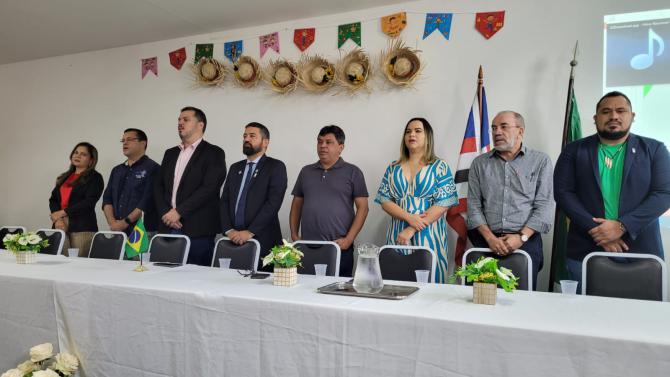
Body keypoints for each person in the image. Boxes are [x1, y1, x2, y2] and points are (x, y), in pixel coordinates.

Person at [554, 91, 670, 289]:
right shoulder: (574, 150)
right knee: (584, 315)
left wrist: (622, 226)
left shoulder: (654, 149)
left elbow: (664, 194)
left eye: (621, 110)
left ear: (632, 116)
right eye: (606, 111)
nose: (614, 116)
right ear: (596, 118)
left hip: (641, 251)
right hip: (585, 248)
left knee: (639, 316)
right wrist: (597, 232)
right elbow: (563, 193)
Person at [467, 111, 554, 290]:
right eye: (493, 128)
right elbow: (474, 205)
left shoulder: (540, 161)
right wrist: (490, 238)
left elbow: (544, 206)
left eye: (503, 127)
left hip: (526, 242)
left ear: (520, 131)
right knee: (482, 303)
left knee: (521, 305)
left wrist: (521, 237)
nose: (497, 132)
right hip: (487, 242)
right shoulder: (479, 163)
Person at [375, 118, 458, 283]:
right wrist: (408, 218)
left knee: (429, 291)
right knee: (396, 286)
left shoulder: (439, 166)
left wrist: (412, 228)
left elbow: (443, 203)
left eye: (417, 131)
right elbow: (384, 200)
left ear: (428, 136)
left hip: (430, 236)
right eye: (408, 131)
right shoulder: (393, 167)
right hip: (398, 236)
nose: (412, 134)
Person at [289, 125, 369, 277]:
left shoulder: (353, 172)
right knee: (305, 293)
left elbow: (363, 208)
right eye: (319, 142)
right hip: (307, 247)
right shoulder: (306, 171)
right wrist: (294, 234)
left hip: (339, 247)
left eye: (328, 142)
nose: (322, 146)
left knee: (338, 295)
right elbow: (296, 205)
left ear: (341, 147)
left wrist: (348, 239)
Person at [154, 106, 227, 266]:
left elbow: (209, 188)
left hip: (198, 230)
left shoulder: (214, 153)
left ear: (200, 125)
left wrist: (179, 212)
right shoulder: (170, 153)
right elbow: (158, 187)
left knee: (196, 281)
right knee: (163, 278)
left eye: (186, 120)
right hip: (168, 226)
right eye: (179, 120)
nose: (180, 123)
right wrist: (167, 214)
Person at [220, 122, 287, 271]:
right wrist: (229, 230)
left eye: (252, 136)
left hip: (263, 241)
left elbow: (273, 203)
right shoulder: (235, 168)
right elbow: (224, 201)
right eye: (244, 136)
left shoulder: (275, 167)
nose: (246, 139)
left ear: (265, 142)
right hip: (233, 240)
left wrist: (249, 232)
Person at [102, 128, 160, 244]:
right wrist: (113, 223)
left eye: (129, 140)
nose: (125, 143)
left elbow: (147, 201)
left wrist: (125, 222)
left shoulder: (153, 168)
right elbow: (107, 199)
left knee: (139, 262)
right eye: (123, 140)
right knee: (115, 262)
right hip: (118, 230)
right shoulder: (117, 170)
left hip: (141, 231)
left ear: (143, 143)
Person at [49, 142, 104, 256]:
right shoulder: (64, 177)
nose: (77, 156)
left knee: (79, 264)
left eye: (83, 154)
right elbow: (53, 199)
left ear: (91, 160)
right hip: (60, 224)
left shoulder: (95, 177)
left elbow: (89, 202)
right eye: (76, 152)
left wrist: (62, 213)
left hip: (82, 227)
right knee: (61, 261)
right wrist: (58, 219)